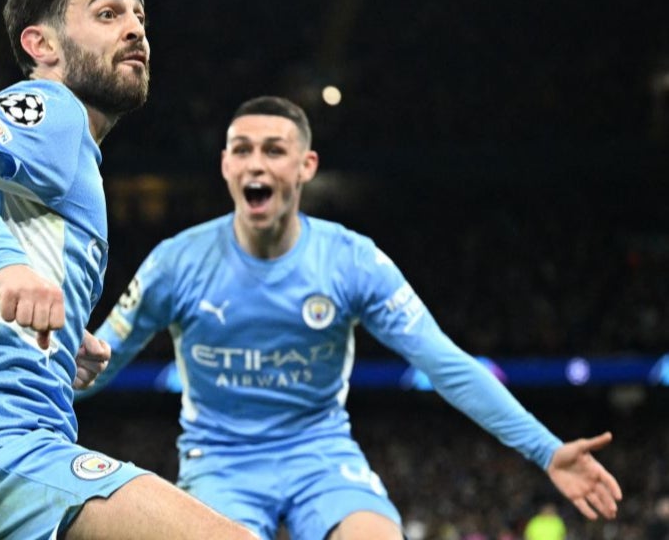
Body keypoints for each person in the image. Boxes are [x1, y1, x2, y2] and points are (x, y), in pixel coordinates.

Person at [79, 96, 624, 540]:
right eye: (242, 150)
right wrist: (28, 391)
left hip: (321, 456)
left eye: (274, 150)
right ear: (225, 165)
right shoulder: (176, 264)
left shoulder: (352, 261)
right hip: (219, 462)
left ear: (306, 166)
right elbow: (95, 367)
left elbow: (446, 364)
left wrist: (546, 449)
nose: (257, 164)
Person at [0, 0, 255, 540]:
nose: (135, 29)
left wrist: (48, 315)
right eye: (108, 13)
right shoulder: (52, 109)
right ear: (42, 45)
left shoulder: (35, 171)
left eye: (139, 14)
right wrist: (7, 263)